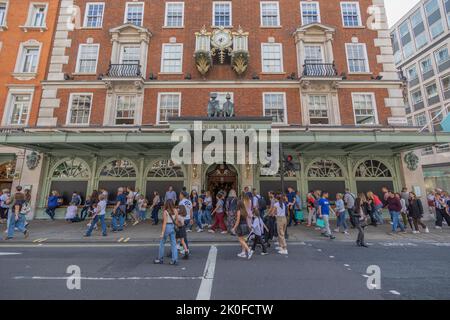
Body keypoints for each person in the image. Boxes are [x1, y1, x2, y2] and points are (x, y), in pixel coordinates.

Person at [154, 200, 178, 265]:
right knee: (173, 244)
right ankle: (174, 260)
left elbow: (164, 223)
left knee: (162, 243)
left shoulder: (165, 211)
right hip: (172, 226)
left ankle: (160, 259)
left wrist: (162, 233)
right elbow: (176, 220)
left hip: (167, 226)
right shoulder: (175, 210)